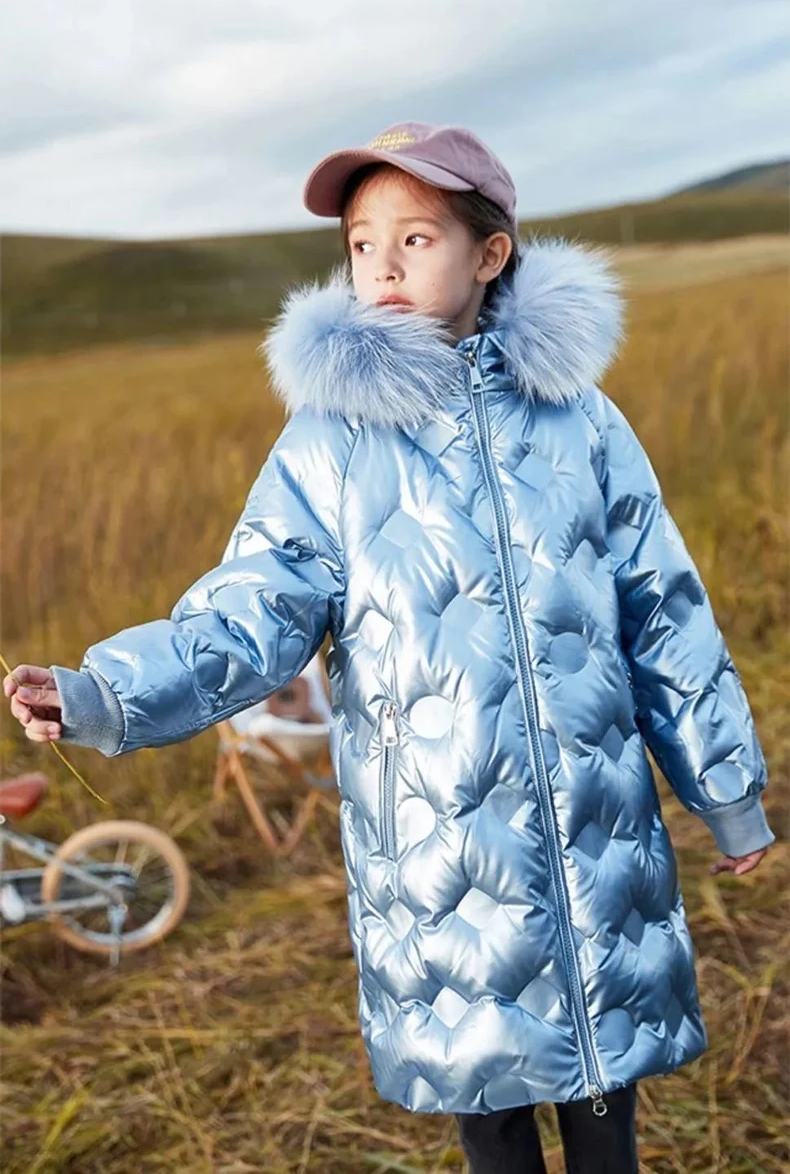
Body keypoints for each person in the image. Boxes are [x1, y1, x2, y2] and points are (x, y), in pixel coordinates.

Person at [4, 121, 775, 1173]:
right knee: (488, 1104)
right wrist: (105, 691)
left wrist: (726, 788)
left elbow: (663, 608)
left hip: (596, 832)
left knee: (605, 1096)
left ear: (489, 253)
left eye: (415, 238)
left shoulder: (579, 419)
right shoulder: (329, 441)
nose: (385, 266)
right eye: (363, 244)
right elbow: (250, 611)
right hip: (436, 853)